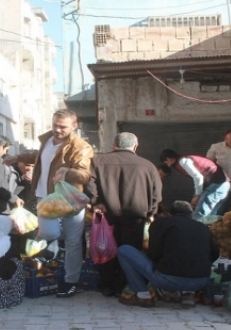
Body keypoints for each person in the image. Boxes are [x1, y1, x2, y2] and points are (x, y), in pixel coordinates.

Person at [87, 132, 163, 297]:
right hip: (136, 216)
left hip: (107, 213)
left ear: (114, 145)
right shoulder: (148, 165)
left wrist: (96, 201)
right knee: (129, 251)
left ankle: (107, 285)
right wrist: (152, 212)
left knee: (106, 248)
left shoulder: (98, 161)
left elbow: (89, 182)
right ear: (135, 147)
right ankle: (123, 285)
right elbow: (157, 193)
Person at [31, 109, 94, 298]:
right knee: (49, 233)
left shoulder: (81, 147)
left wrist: (68, 171)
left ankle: (71, 281)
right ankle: (58, 247)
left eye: (63, 126)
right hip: (45, 197)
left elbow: (85, 174)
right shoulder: (46, 141)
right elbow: (39, 158)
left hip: (69, 199)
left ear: (74, 126)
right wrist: (16, 157)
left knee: (74, 242)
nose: (57, 129)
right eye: (55, 125)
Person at [116, 201, 218, 308]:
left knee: (124, 250)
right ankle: (188, 293)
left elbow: (154, 254)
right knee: (189, 261)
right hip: (200, 281)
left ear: (169, 213)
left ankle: (143, 295)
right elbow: (214, 254)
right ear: (191, 214)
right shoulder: (202, 227)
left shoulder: (161, 223)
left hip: (167, 280)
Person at [160, 149, 230, 220]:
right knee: (210, 217)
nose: (168, 166)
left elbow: (198, 177)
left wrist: (197, 195)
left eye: (166, 163)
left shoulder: (183, 161)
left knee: (199, 216)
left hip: (216, 185)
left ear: (169, 159)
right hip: (222, 185)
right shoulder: (185, 159)